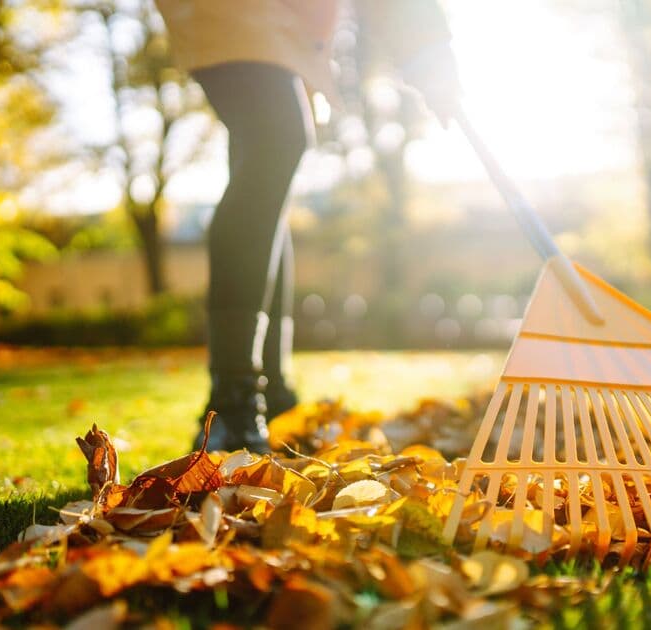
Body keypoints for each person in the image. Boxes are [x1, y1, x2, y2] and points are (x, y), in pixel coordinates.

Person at [154, 0, 461, 453]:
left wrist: (431, 50)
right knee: (277, 138)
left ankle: (272, 395)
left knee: (266, 162)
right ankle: (234, 401)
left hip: (286, 19)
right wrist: (429, 47)